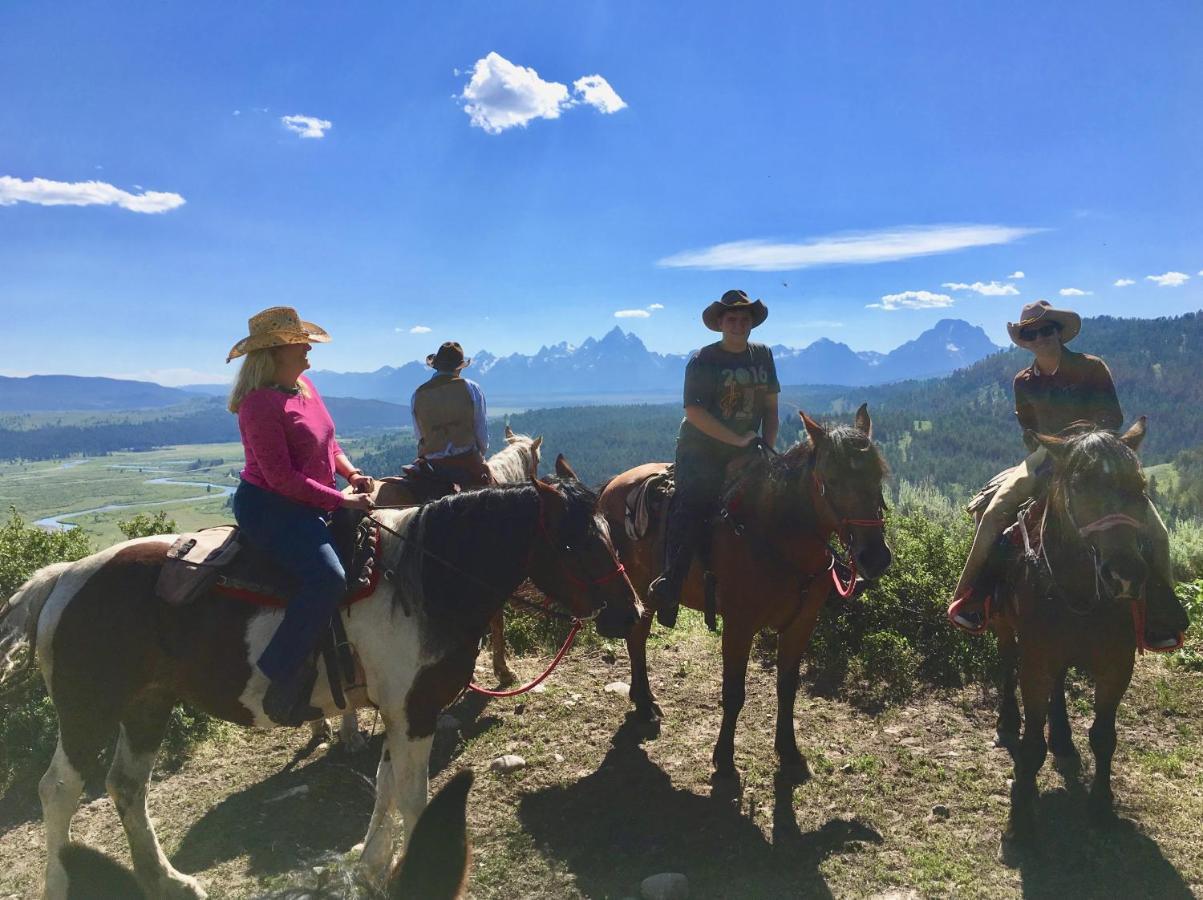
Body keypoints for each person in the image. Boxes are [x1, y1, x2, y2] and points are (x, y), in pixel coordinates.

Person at [948, 300, 1188, 647]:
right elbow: (1029, 429)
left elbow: (1113, 418)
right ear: (1025, 340)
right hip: (1047, 454)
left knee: (1158, 532)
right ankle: (969, 598)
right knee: (994, 511)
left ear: (1059, 333)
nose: (1041, 336)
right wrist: (1047, 449)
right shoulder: (1023, 382)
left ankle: (1160, 616)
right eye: (1032, 332)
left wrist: (1080, 444)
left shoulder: (1091, 368)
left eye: (1047, 329)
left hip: (1094, 453)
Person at [226, 306, 374, 725]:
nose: (308, 347)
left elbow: (329, 444)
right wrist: (341, 501)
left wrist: (352, 473)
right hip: (272, 508)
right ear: (275, 353)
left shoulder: (304, 386)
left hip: (313, 498)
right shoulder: (258, 405)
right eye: (298, 342)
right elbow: (280, 479)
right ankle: (278, 675)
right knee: (327, 577)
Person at [650, 290, 780, 629]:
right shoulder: (703, 359)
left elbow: (770, 410)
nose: (738, 324)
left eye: (744, 319)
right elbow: (694, 412)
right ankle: (670, 584)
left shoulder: (763, 356)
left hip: (749, 448)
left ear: (752, 324)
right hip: (700, 450)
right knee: (693, 501)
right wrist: (737, 439)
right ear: (720, 323)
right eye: (732, 319)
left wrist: (766, 449)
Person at [409, 341, 491, 487]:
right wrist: (480, 458)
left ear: (436, 365)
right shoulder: (471, 388)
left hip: (432, 466)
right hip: (466, 462)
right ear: (459, 368)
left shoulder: (418, 393)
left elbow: (419, 435)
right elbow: (481, 433)